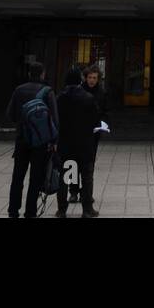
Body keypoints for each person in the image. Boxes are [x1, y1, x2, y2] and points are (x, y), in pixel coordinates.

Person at [6, 63, 58, 218]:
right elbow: (54, 119)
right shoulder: (48, 92)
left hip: (22, 140)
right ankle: (30, 211)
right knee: (35, 178)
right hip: (40, 142)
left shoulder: (19, 90)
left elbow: (10, 115)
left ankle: (13, 210)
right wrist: (54, 141)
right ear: (43, 74)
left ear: (29, 74)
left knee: (18, 177)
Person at [55, 68, 100, 218]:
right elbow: (96, 121)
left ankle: (62, 210)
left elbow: (55, 121)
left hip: (66, 145)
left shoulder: (60, 98)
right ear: (80, 80)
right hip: (84, 144)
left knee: (66, 176)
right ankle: (87, 209)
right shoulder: (88, 98)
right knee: (86, 176)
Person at [72, 65, 108, 205]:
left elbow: (105, 111)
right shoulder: (78, 91)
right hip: (78, 132)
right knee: (73, 162)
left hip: (93, 133)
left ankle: (86, 193)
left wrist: (103, 124)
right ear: (85, 78)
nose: (92, 80)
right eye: (90, 78)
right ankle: (73, 191)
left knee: (89, 164)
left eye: (94, 78)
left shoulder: (102, 92)